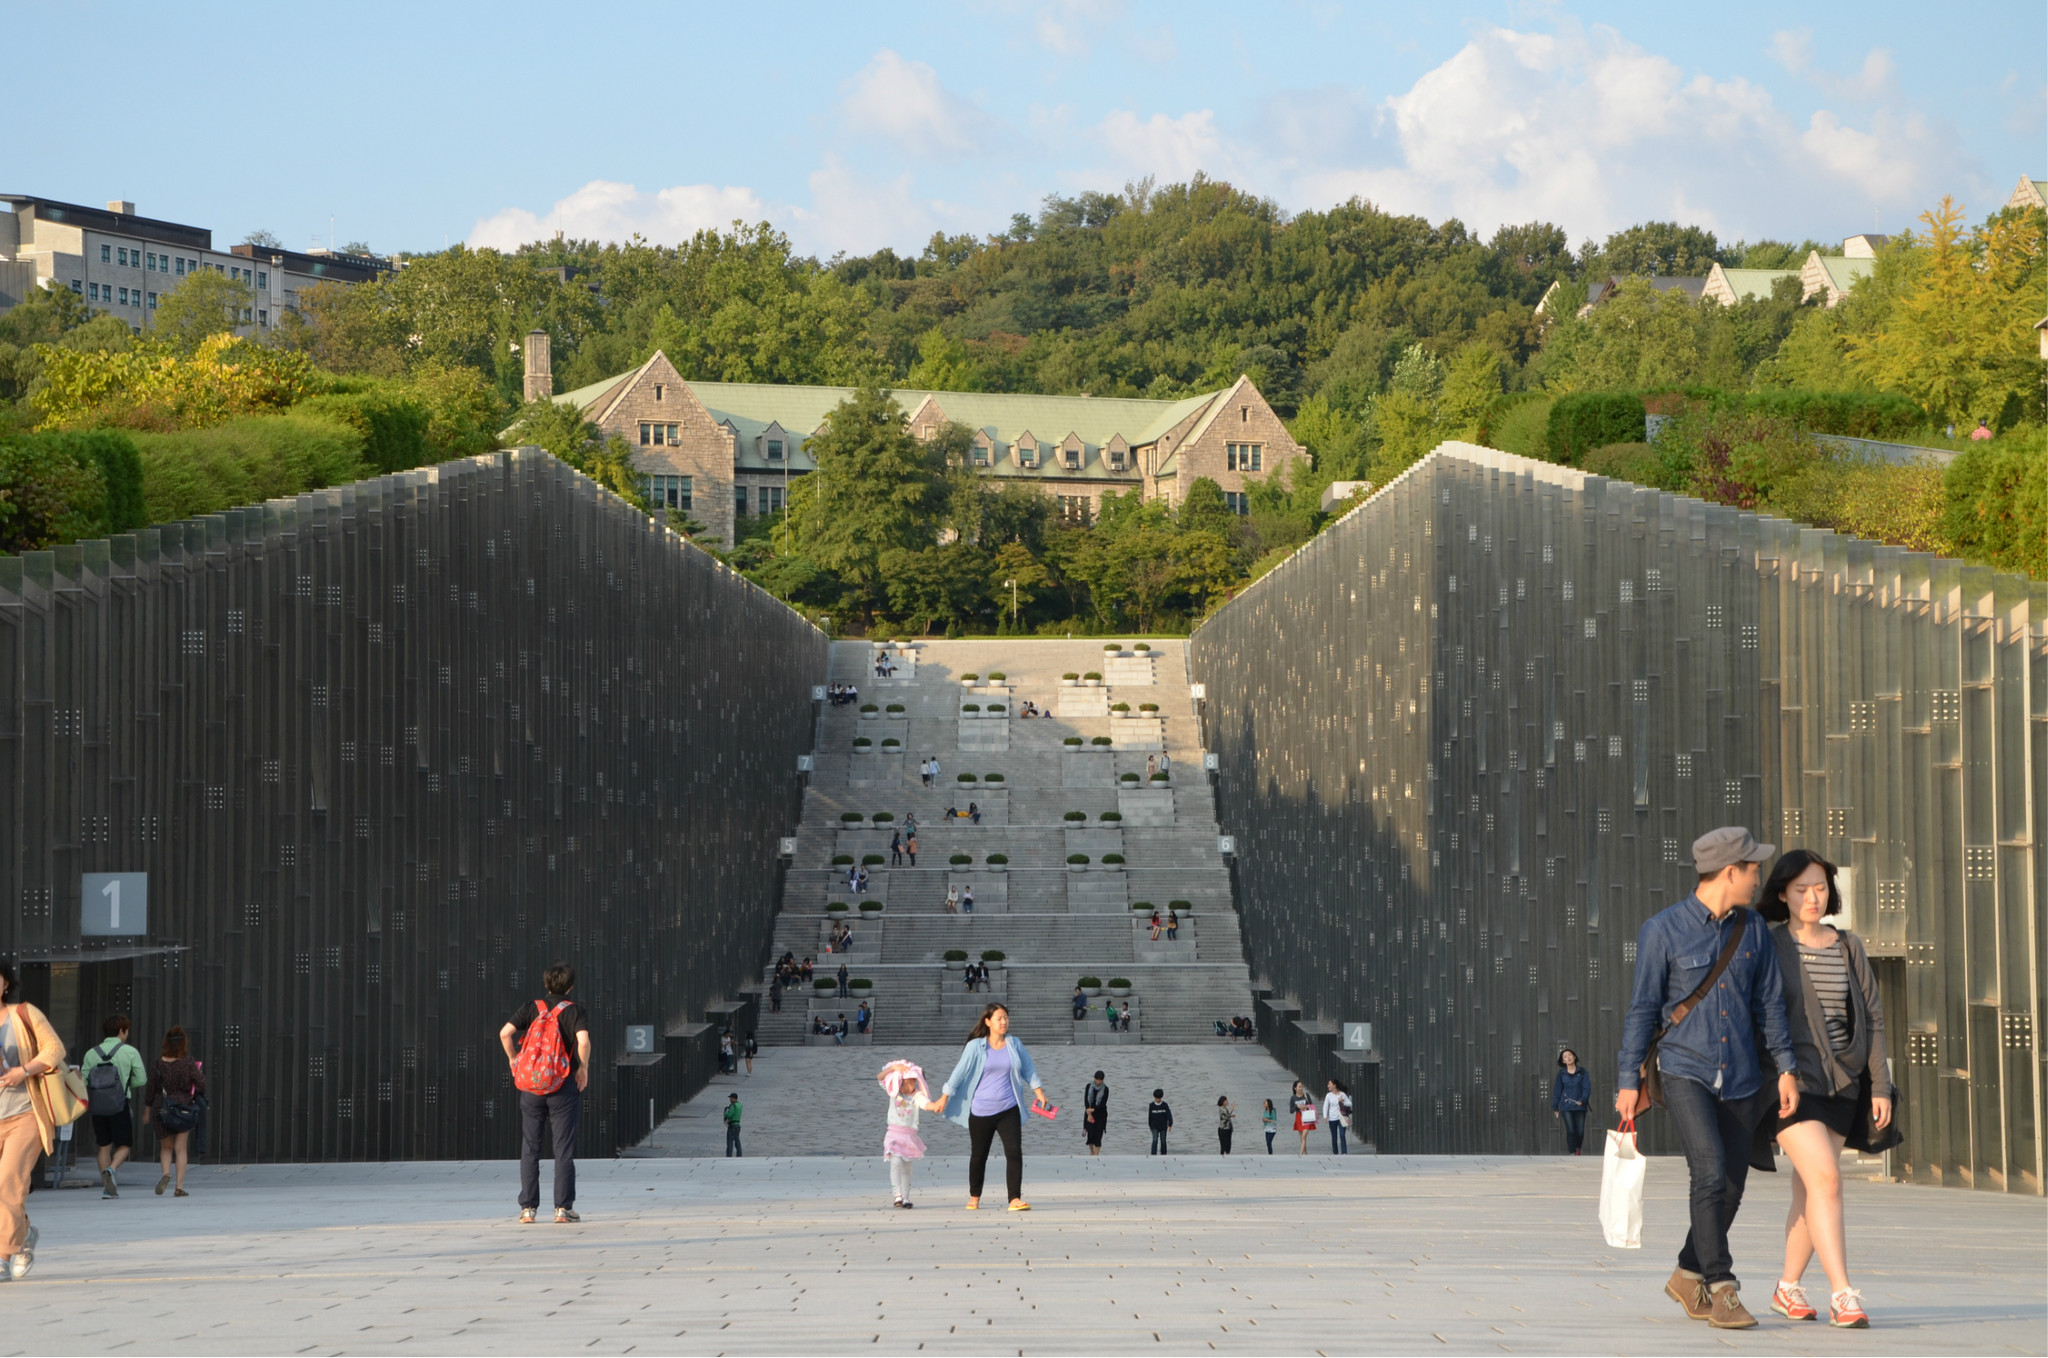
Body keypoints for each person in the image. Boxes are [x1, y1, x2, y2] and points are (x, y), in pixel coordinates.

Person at [1617, 827, 1798, 1331]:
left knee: (1733, 1188)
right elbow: (1641, 1011)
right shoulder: (1663, 930)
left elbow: (1770, 1004)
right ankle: (1721, 1286)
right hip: (1684, 1068)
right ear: (1729, 873)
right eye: (1754, 868)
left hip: (1742, 1074)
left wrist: (1786, 1067)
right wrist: (1628, 1079)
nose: (1759, 876)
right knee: (1710, 1172)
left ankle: (1685, 1271)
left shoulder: (1754, 929)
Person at [1759, 850, 1890, 1329]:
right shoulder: (1772, 946)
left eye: (1819, 887)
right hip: (1791, 1084)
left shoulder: (1848, 945)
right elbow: (1764, 1016)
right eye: (1800, 889)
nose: (1812, 897)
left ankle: (1787, 1287)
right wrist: (1778, 1071)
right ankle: (1843, 1293)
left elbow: (1872, 1017)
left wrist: (1881, 1084)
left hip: (1843, 1083)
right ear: (1782, 895)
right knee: (1827, 1180)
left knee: (1810, 1188)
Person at [929, 1002, 1048, 1211]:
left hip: (1008, 1108)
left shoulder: (1014, 1043)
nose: (1004, 1022)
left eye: (1006, 1018)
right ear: (988, 1022)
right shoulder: (976, 1046)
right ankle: (974, 1197)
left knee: (1014, 1151)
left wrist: (1038, 1092)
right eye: (999, 1018)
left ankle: (1014, 1199)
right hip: (981, 1111)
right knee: (978, 1155)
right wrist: (943, 1098)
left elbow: (1028, 1069)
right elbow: (959, 1072)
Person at [500, 962, 593, 1225]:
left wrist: (513, 1059)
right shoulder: (574, 1011)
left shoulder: (532, 1007)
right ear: (571, 987)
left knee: (530, 1146)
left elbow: (505, 1033)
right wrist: (583, 1067)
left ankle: (528, 1208)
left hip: (531, 1086)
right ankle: (563, 1208)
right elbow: (583, 1041)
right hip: (563, 1085)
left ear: (546, 985)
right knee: (563, 1148)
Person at [0, 960, 65, 1281]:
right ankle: (23, 1235)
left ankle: (3, 1255)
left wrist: (22, 1071)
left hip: (25, 1113)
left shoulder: (24, 1014)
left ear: (5, 984)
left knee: (8, 1181)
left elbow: (54, 1049)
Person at [80, 1014, 146, 1197]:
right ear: (121, 1031)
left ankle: (106, 1187)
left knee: (104, 1146)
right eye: (126, 1031)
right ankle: (112, 1169)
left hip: (97, 1106)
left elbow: (83, 1080)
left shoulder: (91, 1053)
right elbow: (141, 1079)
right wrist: (123, 1085)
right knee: (124, 1145)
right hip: (119, 1104)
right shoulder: (130, 1052)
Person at [143, 1025, 205, 1197]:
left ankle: (166, 1174)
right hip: (183, 1106)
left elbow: (152, 1088)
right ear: (184, 1043)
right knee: (181, 1148)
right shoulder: (188, 1062)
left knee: (166, 1146)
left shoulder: (158, 1064)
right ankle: (179, 1186)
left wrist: (147, 1110)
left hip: (162, 1107)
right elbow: (202, 1083)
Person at [877, 1060, 936, 1207]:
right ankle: (897, 1194)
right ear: (899, 1082)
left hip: (909, 1136)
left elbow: (926, 1104)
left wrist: (935, 1105)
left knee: (907, 1167)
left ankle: (906, 1197)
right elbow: (880, 1077)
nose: (910, 1086)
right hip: (894, 1133)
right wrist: (893, 1068)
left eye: (912, 1083)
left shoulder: (917, 1096)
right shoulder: (893, 1092)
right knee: (896, 1162)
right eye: (906, 1083)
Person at [1552, 1049, 1591, 1155]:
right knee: (1571, 1130)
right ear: (1563, 1061)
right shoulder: (1561, 1074)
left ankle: (1578, 1148)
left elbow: (1587, 1088)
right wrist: (1555, 1107)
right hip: (1566, 1106)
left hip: (1580, 1106)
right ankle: (1572, 1152)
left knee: (1580, 1131)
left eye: (1570, 1055)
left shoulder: (1582, 1072)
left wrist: (1583, 1100)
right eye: (1565, 1057)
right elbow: (1557, 1090)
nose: (1568, 1058)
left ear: (1574, 1057)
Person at [1322, 1079, 1352, 1154]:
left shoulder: (1342, 1094)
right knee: (1334, 1137)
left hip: (1341, 1117)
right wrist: (1325, 1116)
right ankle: (1335, 1152)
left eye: (1329, 1084)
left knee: (1342, 1135)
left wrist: (1343, 1102)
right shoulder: (1328, 1095)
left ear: (1334, 1085)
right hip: (1332, 1118)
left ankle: (1344, 1152)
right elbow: (1325, 1106)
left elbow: (1350, 1103)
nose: (1328, 1086)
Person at [1083, 1071, 1108, 1156]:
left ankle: (1096, 1153)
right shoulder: (1089, 1086)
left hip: (1100, 1115)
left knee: (1098, 1134)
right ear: (1094, 1078)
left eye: (1100, 1080)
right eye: (1097, 1079)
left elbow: (1103, 1103)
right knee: (1090, 1134)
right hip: (1089, 1114)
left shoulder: (1105, 1089)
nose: (1098, 1082)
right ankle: (1091, 1151)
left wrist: (1093, 1110)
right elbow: (1086, 1100)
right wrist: (1088, 1112)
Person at [1289, 1080, 1317, 1154]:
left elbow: (1311, 1106)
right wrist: (1296, 1106)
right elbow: (1291, 1110)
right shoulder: (1293, 1098)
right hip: (1298, 1117)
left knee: (1304, 1136)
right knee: (1301, 1137)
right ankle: (1305, 1152)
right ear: (1295, 1088)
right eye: (1299, 1087)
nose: (1301, 1088)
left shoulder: (1306, 1095)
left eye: (1302, 1086)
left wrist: (1304, 1107)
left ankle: (1300, 1154)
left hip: (1307, 1117)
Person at [1147, 1089, 1173, 1154]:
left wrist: (1170, 1124)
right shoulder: (1151, 1105)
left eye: (1158, 1098)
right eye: (1156, 1098)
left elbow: (1169, 1115)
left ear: (1161, 1098)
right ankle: (1153, 1154)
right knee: (1155, 1140)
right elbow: (1150, 1117)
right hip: (1154, 1126)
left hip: (1163, 1126)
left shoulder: (1164, 1105)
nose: (1157, 1100)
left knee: (1163, 1141)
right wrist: (1150, 1126)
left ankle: (1163, 1154)